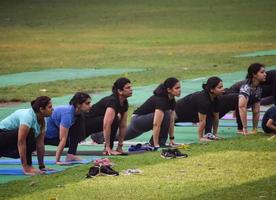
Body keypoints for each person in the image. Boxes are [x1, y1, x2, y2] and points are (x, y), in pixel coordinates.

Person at [0, 96, 53, 175]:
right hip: (2, 136)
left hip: (9, 143)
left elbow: (40, 145)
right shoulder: (27, 116)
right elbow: (21, 141)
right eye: (50, 107)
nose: (53, 109)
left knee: (32, 141)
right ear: (41, 109)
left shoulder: (43, 120)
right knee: (30, 134)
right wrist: (26, 167)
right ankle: (28, 166)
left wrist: (42, 166)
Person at [124, 77, 181, 148]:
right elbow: (156, 124)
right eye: (177, 88)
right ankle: (157, 143)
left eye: (179, 88)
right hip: (138, 120)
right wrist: (156, 145)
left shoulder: (171, 100)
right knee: (166, 114)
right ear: (169, 90)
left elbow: (171, 121)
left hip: (144, 120)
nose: (180, 90)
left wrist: (172, 139)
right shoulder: (161, 100)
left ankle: (106, 137)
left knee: (119, 136)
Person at [83, 77, 132, 155]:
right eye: (128, 88)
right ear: (120, 91)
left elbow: (123, 126)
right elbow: (106, 124)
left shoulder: (124, 102)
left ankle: (110, 148)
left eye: (130, 87)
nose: (131, 89)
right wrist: (108, 147)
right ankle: (108, 149)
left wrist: (120, 146)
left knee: (116, 119)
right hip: (84, 125)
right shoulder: (112, 101)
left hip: (96, 125)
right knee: (115, 119)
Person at [44, 92, 91, 164]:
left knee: (79, 125)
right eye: (87, 103)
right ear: (78, 104)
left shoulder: (77, 114)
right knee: (65, 140)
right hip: (47, 136)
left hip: (55, 131)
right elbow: (62, 139)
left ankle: (71, 155)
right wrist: (57, 160)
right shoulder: (68, 115)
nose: (90, 106)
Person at [175, 76, 224, 142]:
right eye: (219, 87)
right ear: (211, 89)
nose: (223, 89)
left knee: (211, 114)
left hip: (190, 112)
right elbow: (202, 121)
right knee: (165, 123)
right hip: (177, 111)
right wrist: (201, 138)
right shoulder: (203, 100)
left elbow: (216, 118)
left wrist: (215, 134)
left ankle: (208, 134)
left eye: (222, 86)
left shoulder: (216, 99)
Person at [231, 63, 266, 135]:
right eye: (262, 72)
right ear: (254, 74)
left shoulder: (258, 86)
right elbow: (242, 107)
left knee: (252, 106)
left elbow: (256, 110)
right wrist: (245, 128)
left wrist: (254, 129)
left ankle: (254, 128)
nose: (265, 74)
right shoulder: (246, 87)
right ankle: (240, 129)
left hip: (240, 99)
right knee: (241, 105)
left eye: (264, 72)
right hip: (229, 96)